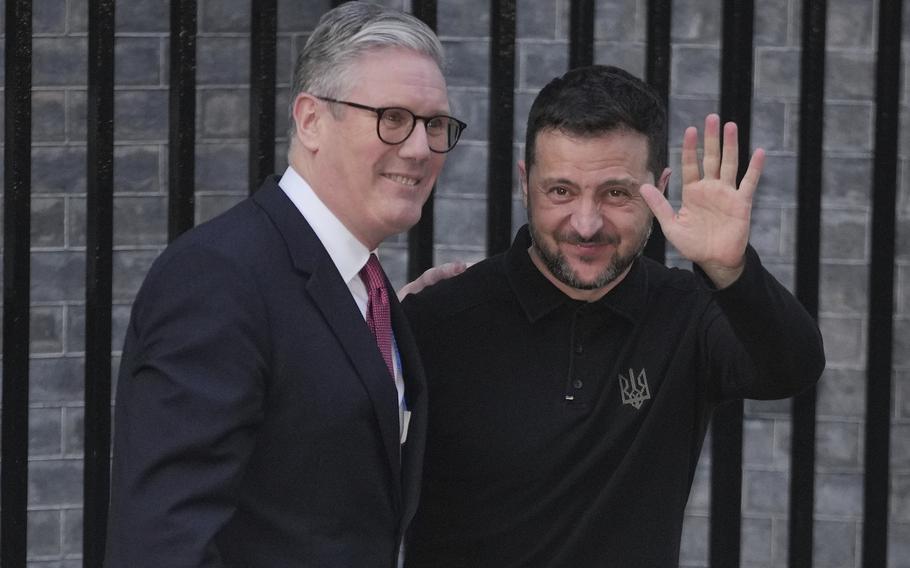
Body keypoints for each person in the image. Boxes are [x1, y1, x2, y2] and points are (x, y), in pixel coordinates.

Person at [400, 65, 825, 567]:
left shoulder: (689, 314)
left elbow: (793, 368)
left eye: (616, 194)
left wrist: (730, 270)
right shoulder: (438, 318)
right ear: (524, 183)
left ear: (661, 190)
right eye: (560, 191)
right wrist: (380, 328)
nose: (586, 224)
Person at [104, 2, 466, 566]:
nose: (419, 148)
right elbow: (165, 545)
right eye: (392, 118)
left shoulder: (368, 291)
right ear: (310, 120)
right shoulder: (217, 279)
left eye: (435, 124)